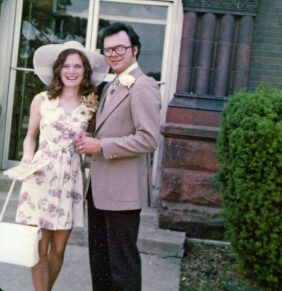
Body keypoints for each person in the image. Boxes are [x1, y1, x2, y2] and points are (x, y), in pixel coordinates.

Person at [74, 22, 161, 291]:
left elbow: (148, 139)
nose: (113, 54)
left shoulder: (143, 85)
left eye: (120, 48)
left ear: (134, 49)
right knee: (100, 263)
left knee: (122, 266)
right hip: (99, 190)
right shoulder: (110, 86)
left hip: (123, 193)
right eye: (108, 49)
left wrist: (100, 146)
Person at [15, 41, 108, 291]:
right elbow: (30, 136)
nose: (72, 71)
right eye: (66, 66)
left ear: (85, 71)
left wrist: (88, 144)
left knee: (58, 248)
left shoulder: (91, 105)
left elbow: (96, 140)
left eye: (78, 66)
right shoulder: (42, 100)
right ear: (58, 70)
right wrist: (27, 157)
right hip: (41, 175)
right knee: (38, 246)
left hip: (70, 179)